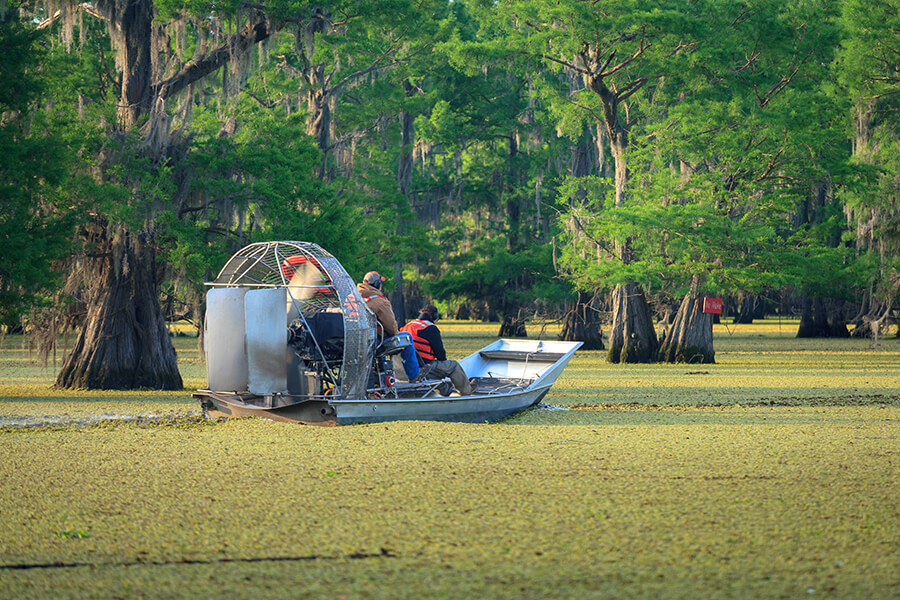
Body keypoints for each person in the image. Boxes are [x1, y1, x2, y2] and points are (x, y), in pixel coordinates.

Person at [357, 271, 421, 382]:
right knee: (406, 337)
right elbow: (391, 328)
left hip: (356, 341)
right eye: (380, 283)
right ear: (377, 284)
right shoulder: (380, 302)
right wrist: (396, 333)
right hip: (375, 343)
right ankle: (414, 375)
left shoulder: (353, 298)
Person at [400, 304, 475, 395]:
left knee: (432, 369)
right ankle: (467, 391)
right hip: (422, 369)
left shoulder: (407, 325)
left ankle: (446, 391)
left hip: (405, 368)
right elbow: (441, 355)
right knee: (453, 365)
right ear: (434, 316)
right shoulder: (430, 328)